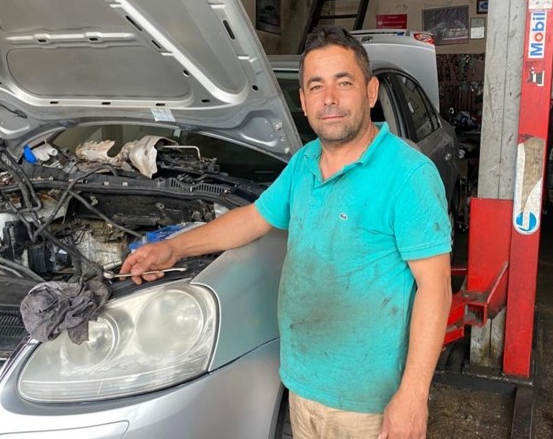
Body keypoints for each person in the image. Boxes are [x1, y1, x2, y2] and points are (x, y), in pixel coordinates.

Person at [120, 25, 452, 439]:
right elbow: (253, 218)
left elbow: (436, 288)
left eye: (343, 83)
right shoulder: (305, 163)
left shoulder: (408, 174)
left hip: (368, 404)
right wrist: (174, 248)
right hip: (301, 383)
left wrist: (413, 395)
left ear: (370, 92)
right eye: (316, 86)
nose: (329, 99)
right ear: (304, 101)